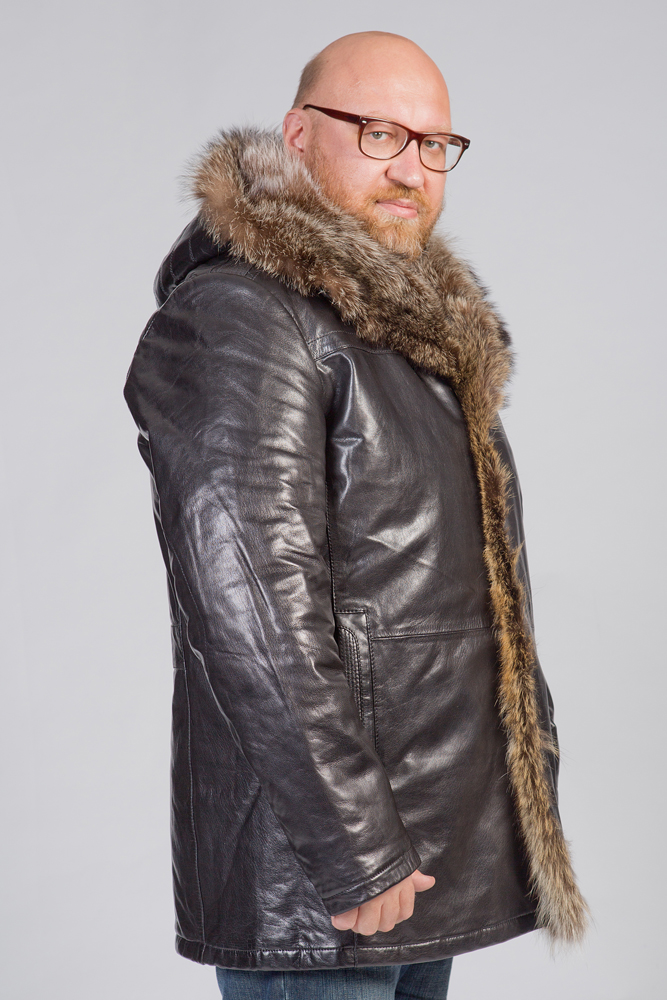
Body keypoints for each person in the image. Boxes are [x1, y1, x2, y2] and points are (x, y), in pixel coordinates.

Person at [123, 31, 588, 1000]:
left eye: (434, 144)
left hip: (418, 854)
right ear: (297, 135)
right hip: (326, 877)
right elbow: (252, 605)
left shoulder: (405, 328)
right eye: (379, 133)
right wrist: (354, 848)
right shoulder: (241, 315)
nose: (412, 168)